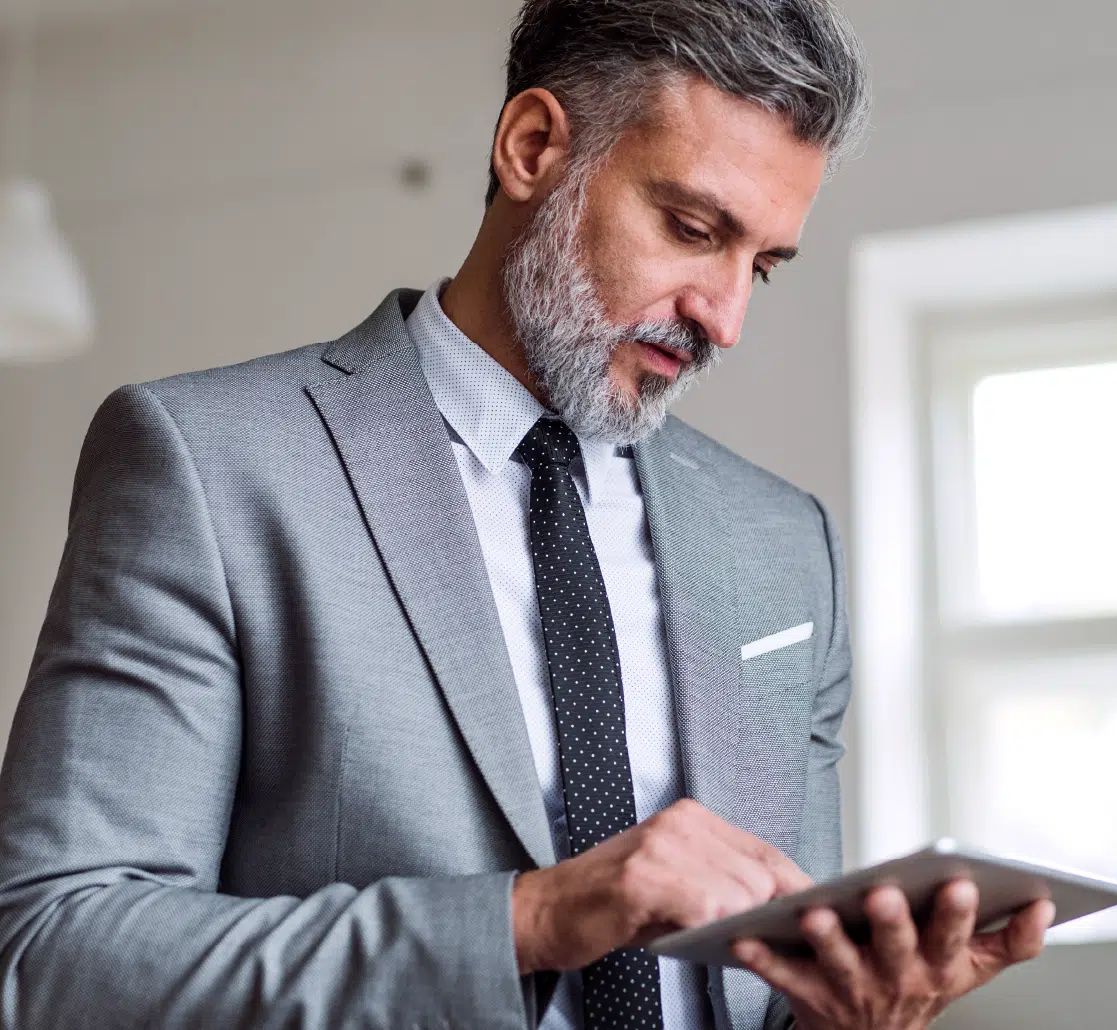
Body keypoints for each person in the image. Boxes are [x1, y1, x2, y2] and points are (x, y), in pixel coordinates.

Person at [0, 1, 1054, 1028]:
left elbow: (768, 993)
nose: (725, 319)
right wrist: (536, 917)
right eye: (693, 229)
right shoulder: (211, 465)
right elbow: (54, 952)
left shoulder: (787, 548)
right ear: (534, 145)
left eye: (762, 268)